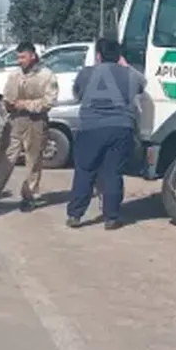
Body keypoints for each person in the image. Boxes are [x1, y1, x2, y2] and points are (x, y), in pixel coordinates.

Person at [66, 37, 144, 230]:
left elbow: (77, 94)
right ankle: (111, 217)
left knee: (85, 172)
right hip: (121, 127)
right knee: (113, 173)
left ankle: (75, 215)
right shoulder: (130, 75)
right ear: (119, 56)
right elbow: (143, 84)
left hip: (90, 128)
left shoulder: (86, 73)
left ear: (98, 55)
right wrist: (125, 65)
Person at [0, 41, 59, 211]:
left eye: (23, 57)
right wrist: (9, 104)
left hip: (36, 121)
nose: (20, 60)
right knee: (5, 157)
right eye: (18, 57)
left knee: (34, 160)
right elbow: (7, 97)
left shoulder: (46, 76)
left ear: (32, 56)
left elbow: (49, 101)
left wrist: (26, 105)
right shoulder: (14, 75)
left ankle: (31, 194)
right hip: (15, 121)